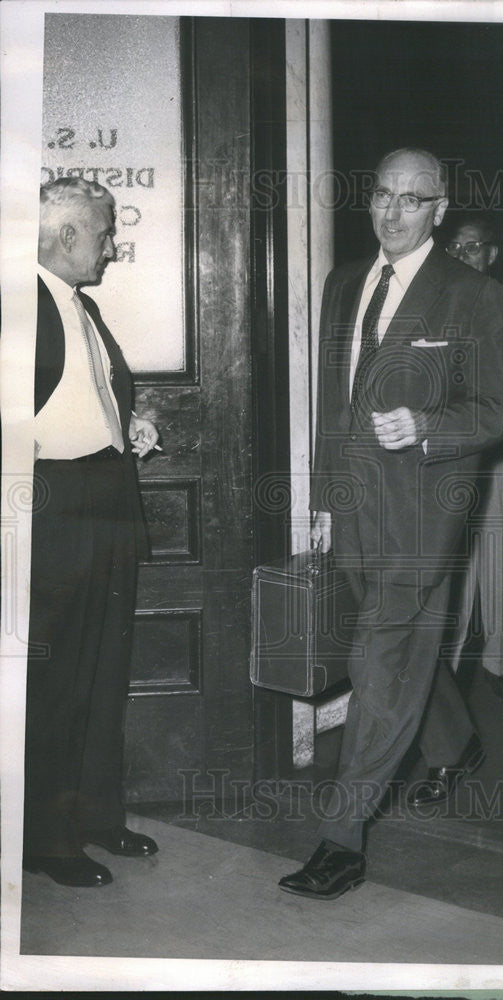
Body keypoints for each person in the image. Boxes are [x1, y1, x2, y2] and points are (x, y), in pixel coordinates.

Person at [278, 148, 503, 901]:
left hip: (422, 512)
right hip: (351, 509)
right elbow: (335, 400)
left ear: (439, 210)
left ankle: (341, 840)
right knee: (401, 643)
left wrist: (425, 426)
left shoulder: (474, 296)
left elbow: (501, 410)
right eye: (381, 195)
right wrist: (321, 498)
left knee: (381, 665)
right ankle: (455, 741)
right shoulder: (343, 283)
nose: (391, 213)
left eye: (411, 201)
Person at [24, 177, 160, 887]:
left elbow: (85, 394)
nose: (111, 246)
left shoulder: (81, 304)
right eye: (104, 233)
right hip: (56, 511)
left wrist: (121, 425)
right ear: (69, 234)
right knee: (54, 682)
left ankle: (98, 818)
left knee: (104, 673)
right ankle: (46, 841)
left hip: (104, 498)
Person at [444, 215, 503, 702]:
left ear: (493, 254)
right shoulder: (438, 309)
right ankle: (449, 668)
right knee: (451, 566)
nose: (465, 257)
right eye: (456, 249)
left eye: (474, 248)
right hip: (450, 459)